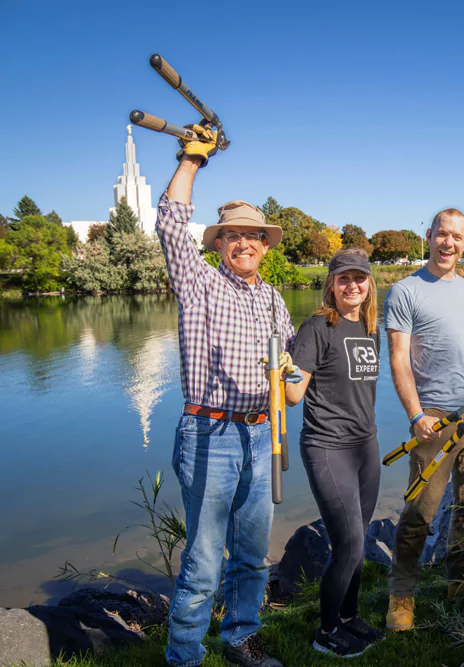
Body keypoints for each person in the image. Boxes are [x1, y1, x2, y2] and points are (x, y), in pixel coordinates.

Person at [156, 129, 291, 667]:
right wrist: (191, 159)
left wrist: (293, 377)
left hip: (262, 434)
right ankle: (184, 656)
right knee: (205, 558)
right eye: (232, 235)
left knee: (253, 557)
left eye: (253, 235)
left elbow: (288, 373)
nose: (244, 243)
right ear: (217, 243)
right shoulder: (199, 285)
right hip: (210, 432)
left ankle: (239, 640)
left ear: (264, 243)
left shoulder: (274, 299)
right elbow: (169, 224)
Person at [382, 208, 464, 632]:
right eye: (442, 234)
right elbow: (398, 359)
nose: (449, 243)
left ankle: (460, 583)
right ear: (429, 236)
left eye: (458, 237)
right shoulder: (404, 290)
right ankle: (402, 594)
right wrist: (415, 415)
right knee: (419, 513)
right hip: (434, 420)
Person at [284, 248, 384, 657]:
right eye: (343, 278)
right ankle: (326, 631)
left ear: (369, 284)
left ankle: (348, 616)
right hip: (327, 447)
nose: (352, 285)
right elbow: (293, 396)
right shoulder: (317, 328)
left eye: (359, 278)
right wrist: (282, 369)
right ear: (331, 284)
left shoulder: (370, 327)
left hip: (366, 444)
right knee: (349, 542)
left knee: (357, 540)